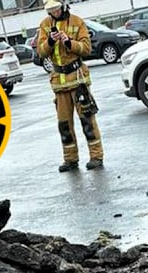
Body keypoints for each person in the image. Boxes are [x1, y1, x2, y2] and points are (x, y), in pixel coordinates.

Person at [37, 0, 104, 171]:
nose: (55, 13)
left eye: (57, 9)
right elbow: (41, 52)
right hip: (60, 83)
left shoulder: (76, 22)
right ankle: (70, 159)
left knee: (87, 120)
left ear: (64, 5)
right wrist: (50, 42)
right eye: (51, 10)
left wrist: (68, 42)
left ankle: (96, 156)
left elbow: (86, 48)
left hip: (78, 79)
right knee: (64, 124)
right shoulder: (45, 25)